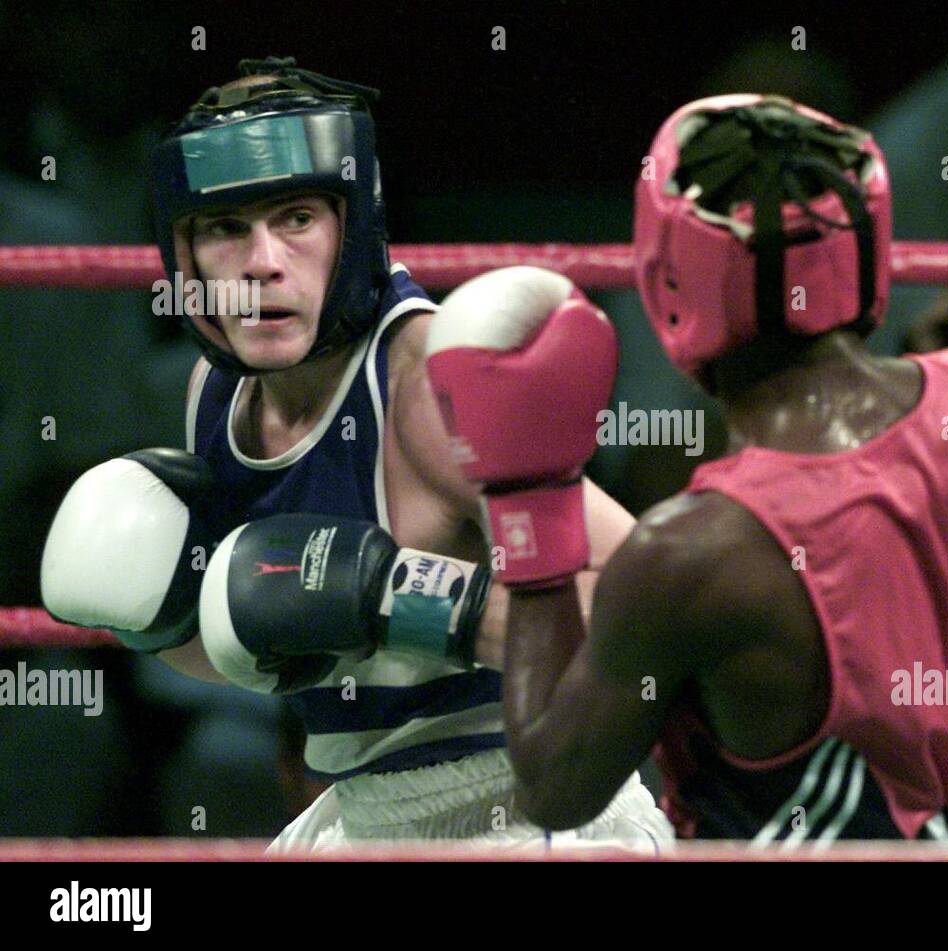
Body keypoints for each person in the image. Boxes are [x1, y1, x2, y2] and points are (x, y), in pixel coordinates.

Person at [425, 95, 948, 843]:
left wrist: (528, 499)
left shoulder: (689, 552)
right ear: (866, 252)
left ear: (670, 282)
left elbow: (553, 787)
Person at [40, 57, 671, 851]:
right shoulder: (215, 391)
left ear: (356, 224)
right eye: (226, 228)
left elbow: (644, 608)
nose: (262, 260)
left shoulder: (423, 390)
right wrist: (173, 622)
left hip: (526, 805)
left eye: (297, 218)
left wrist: (400, 600)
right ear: (183, 254)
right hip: (363, 811)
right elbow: (282, 642)